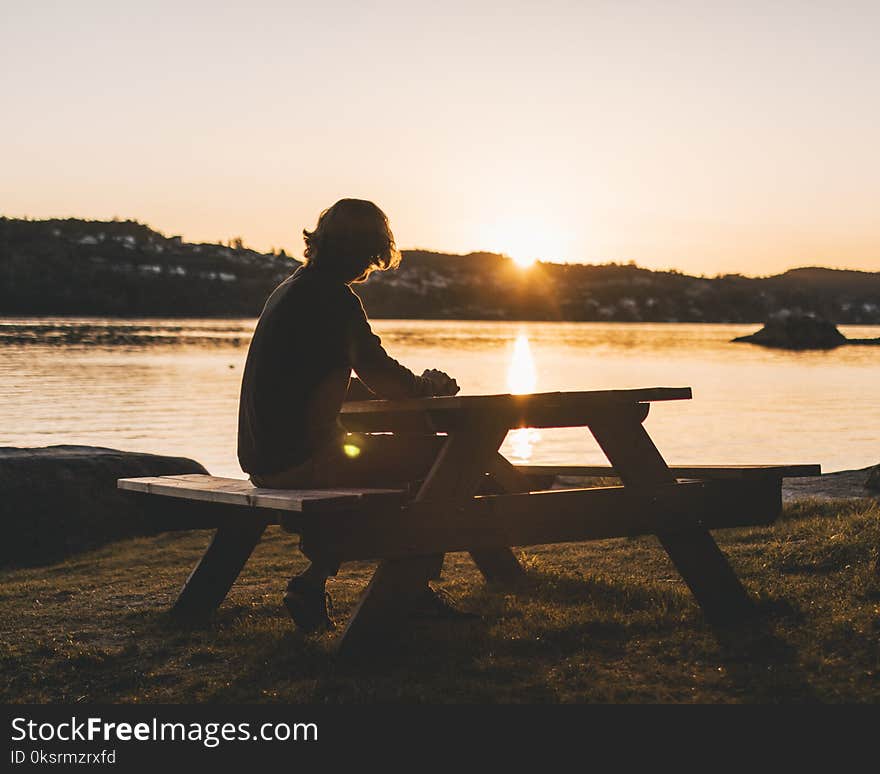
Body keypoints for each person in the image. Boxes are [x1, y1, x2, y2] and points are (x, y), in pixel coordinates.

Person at [237, 199, 461, 631]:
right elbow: (384, 378)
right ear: (366, 250)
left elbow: (320, 380)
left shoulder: (291, 289)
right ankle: (411, 588)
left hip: (263, 460)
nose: (370, 267)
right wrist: (428, 386)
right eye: (372, 255)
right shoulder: (334, 300)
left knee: (399, 462)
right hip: (299, 462)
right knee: (441, 460)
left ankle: (318, 579)